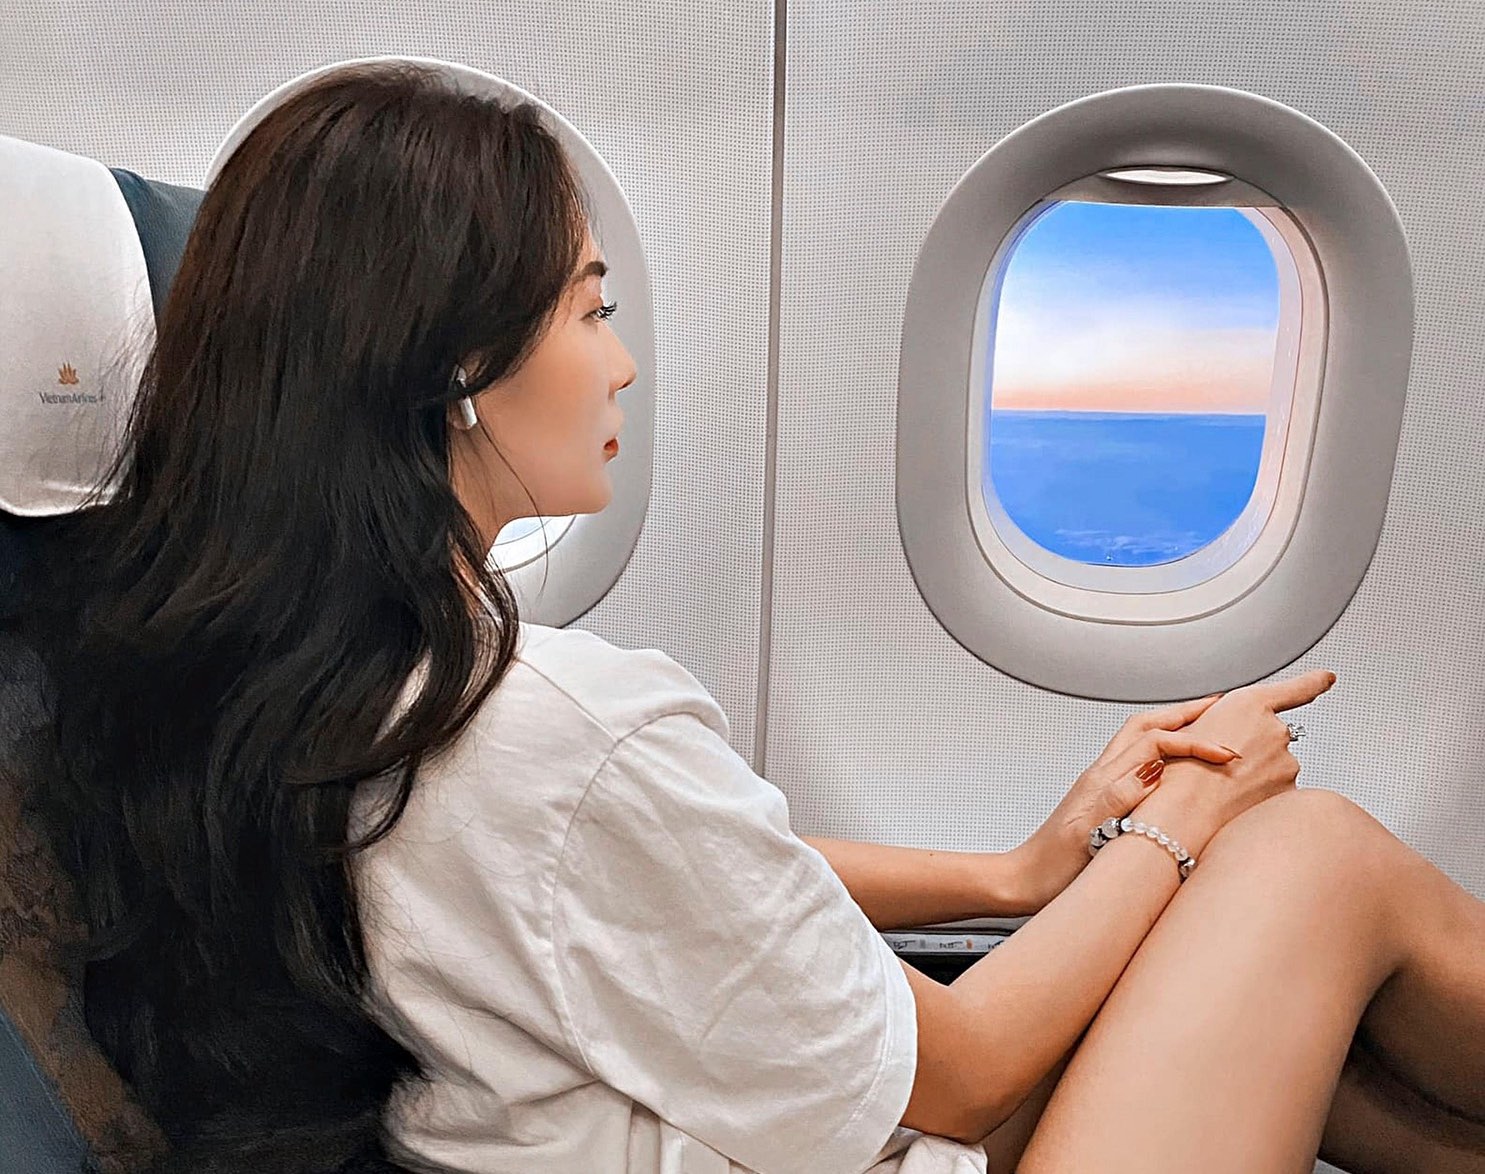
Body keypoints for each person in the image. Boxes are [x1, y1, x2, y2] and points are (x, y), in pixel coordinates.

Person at [5, 60, 1483, 1174]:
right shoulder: (540, 725)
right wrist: (1183, 818)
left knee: (1302, 1016)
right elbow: (960, 1071)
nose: (625, 361)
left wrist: (1022, 869)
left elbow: (636, 876)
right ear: (457, 370)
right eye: (589, 308)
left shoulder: (296, 677)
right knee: (1309, 854)